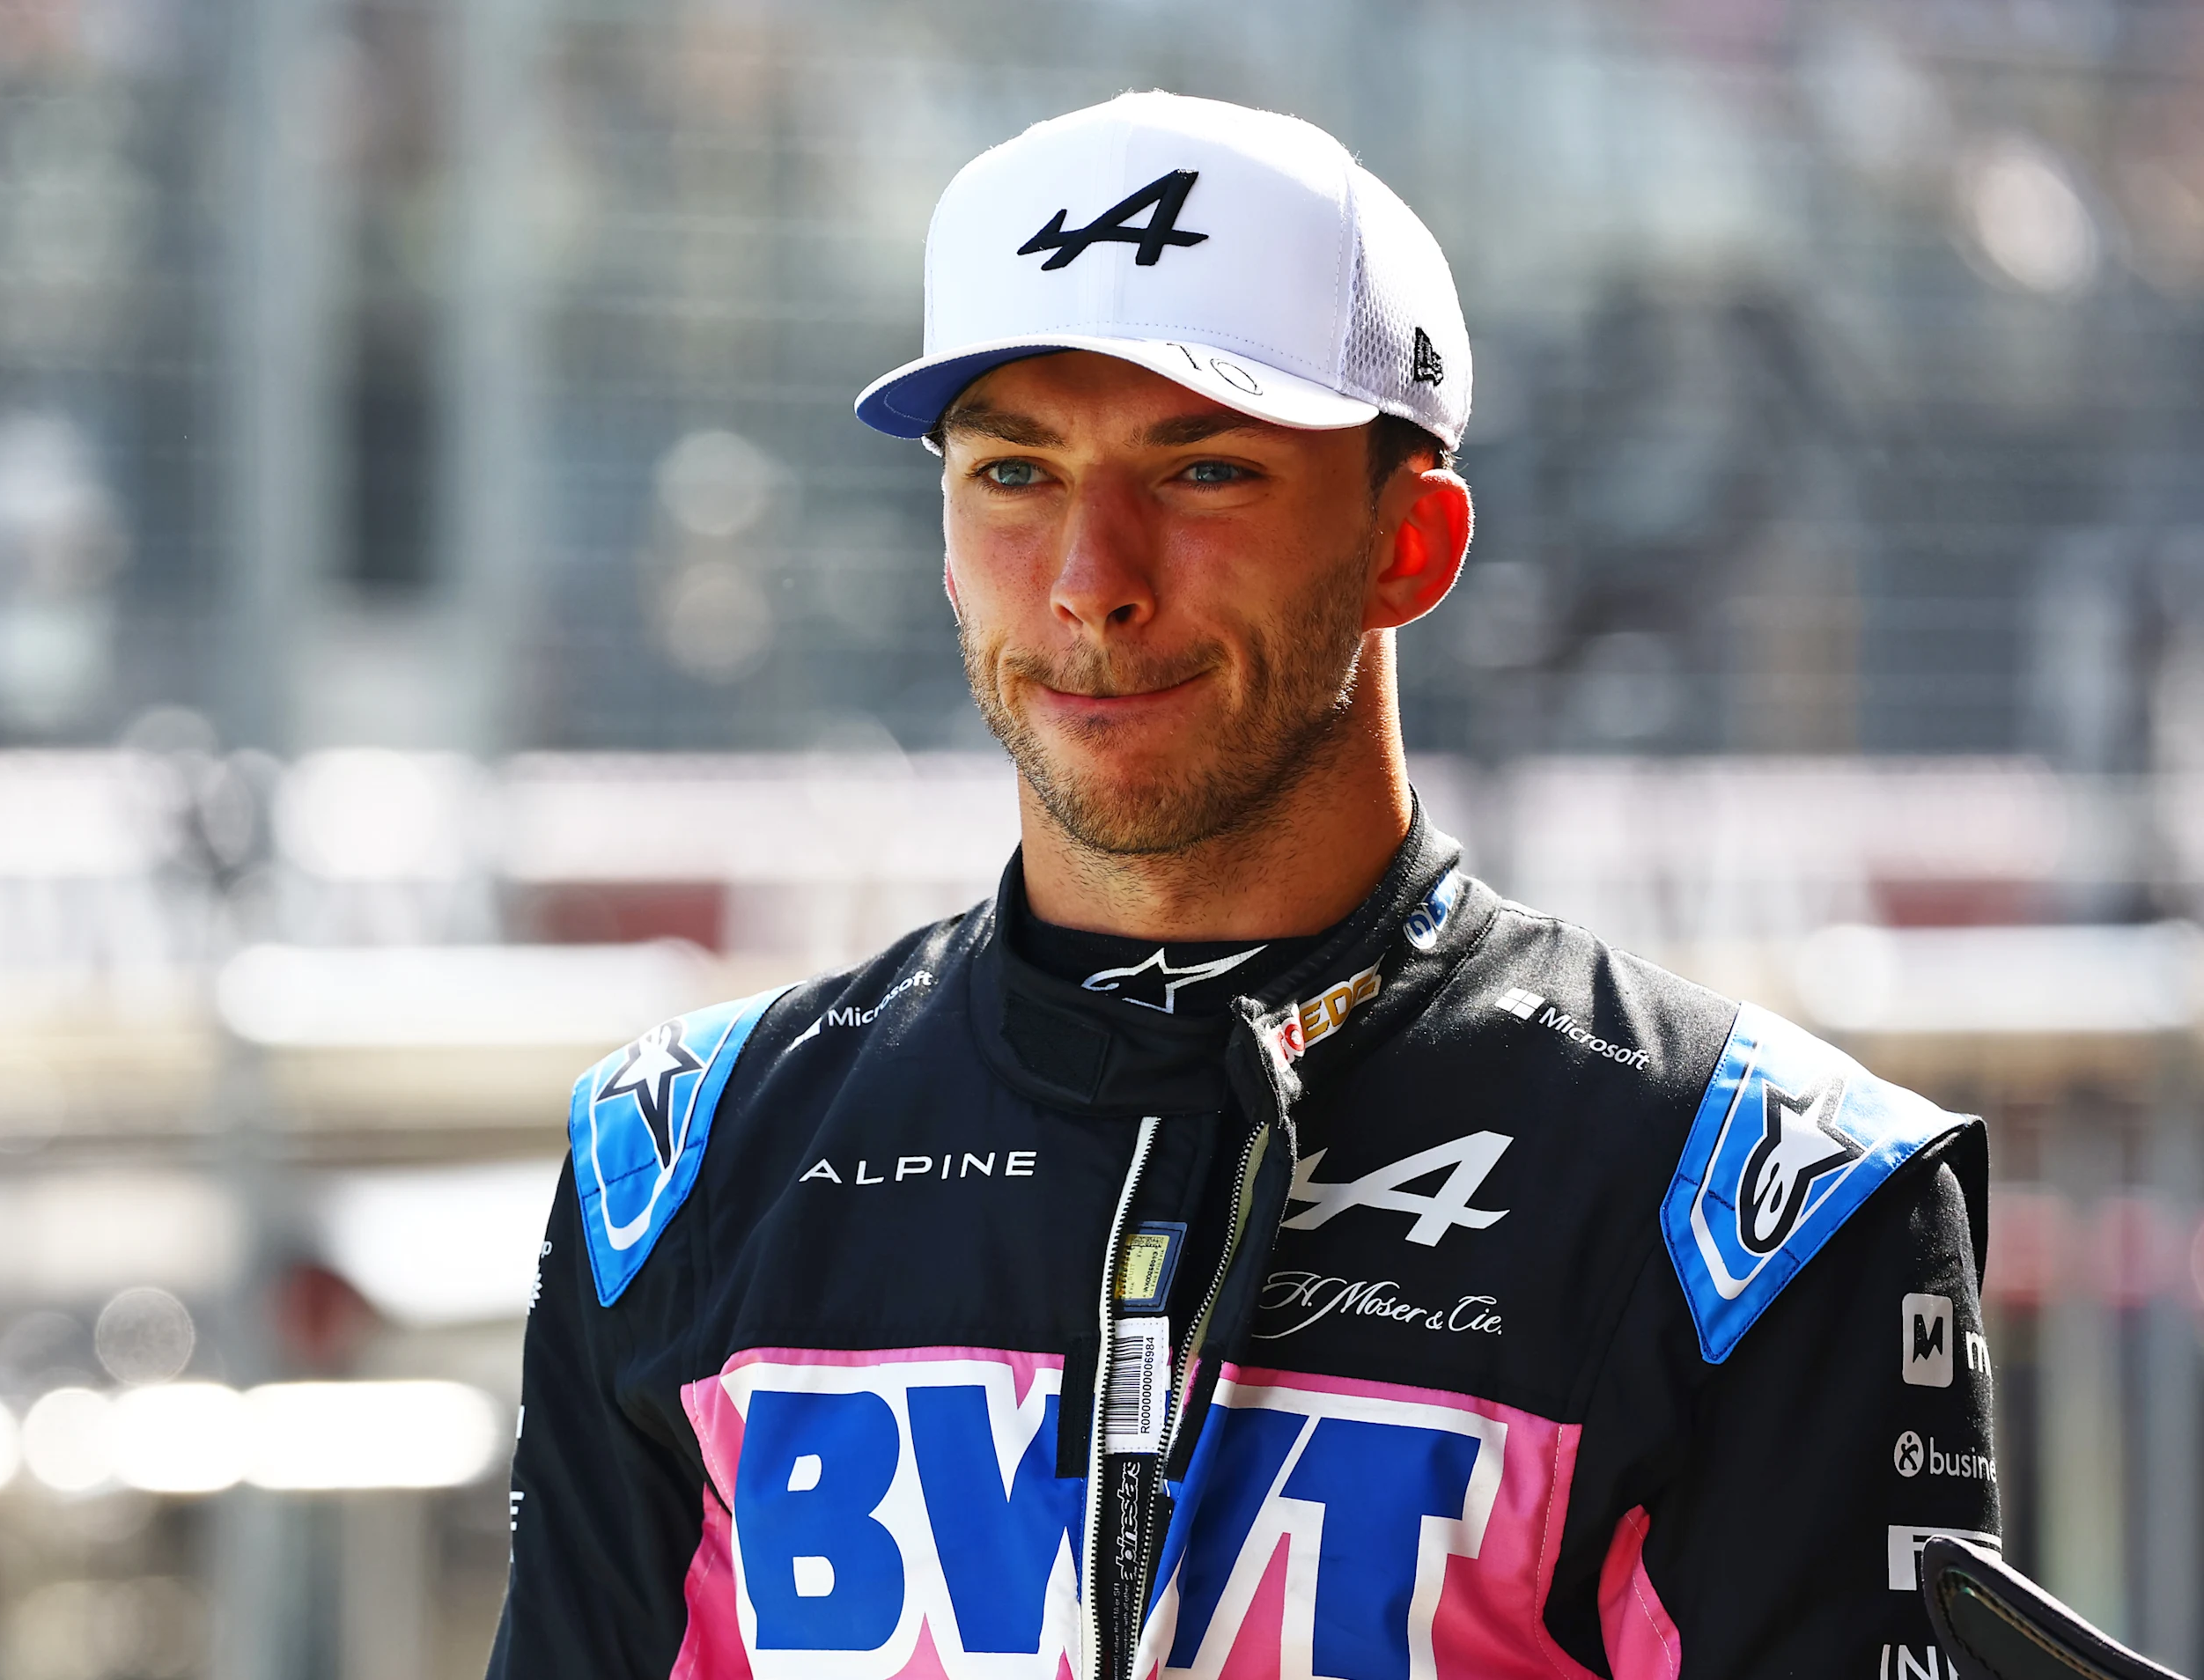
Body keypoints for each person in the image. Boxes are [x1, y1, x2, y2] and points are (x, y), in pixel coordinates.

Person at [485, 92, 2000, 1680]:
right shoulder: (680, 1163)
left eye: (1203, 471)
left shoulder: (1771, 1211)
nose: (1092, 580)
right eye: (1015, 474)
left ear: (1409, 542)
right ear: (941, 535)